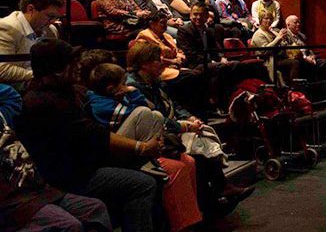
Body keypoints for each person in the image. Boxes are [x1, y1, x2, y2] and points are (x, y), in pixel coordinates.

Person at [14, 38, 160, 232]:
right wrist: (140, 147)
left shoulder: (67, 91)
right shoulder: (43, 102)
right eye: (72, 63)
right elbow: (91, 133)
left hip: (87, 162)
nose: (78, 66)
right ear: (58, 69)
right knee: (143, 183)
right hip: (70, 176)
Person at [125, 41, 255, 214]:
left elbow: (174, 106)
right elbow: (154, 117)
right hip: (153, 136)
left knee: (201, 142)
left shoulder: (154, 82)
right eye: (157, 59)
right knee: (196, 158)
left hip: (168, 128)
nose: (162, 62)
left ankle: (217, 196)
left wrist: (190, 118)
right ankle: (209, 205)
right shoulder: (135, 88)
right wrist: (184, 126)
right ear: (144, 63)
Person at [86, 63, 203, 232]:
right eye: (123, 83)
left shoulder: (141, 89)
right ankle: (181, 225)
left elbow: (155, 113)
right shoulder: (99, 102)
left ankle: (191, 222)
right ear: (111, 87)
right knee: (174, 167)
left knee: (188, 161)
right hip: (117, 152)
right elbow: (131, 114)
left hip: (142, 141)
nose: (126, 86)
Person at [1, 82, 113, 232]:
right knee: (68, 225)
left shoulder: (3, 114)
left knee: (94, 208)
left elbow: (11, 97)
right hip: (11, 201)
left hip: (35, 187)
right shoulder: (42, 100)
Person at [0, 0, 62, 92]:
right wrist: (40, 76)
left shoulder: (51, 30)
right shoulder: (8, 27)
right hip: (11, 87)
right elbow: (2, 69)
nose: (52, 22)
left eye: (56, 18)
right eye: (50, 16)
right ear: (30, 9)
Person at [273, 15, 326, 83]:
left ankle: (323, 87)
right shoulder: (284, 35)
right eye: (295, 22)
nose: (298, 24)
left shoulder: (302, 35)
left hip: (307, 58)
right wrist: (305, 58)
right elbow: (288, 52)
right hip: (296, 58)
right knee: (302, 64)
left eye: (299, 22)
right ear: (288, 24)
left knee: (324, 63)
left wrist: (312, 56)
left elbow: (308, 49)